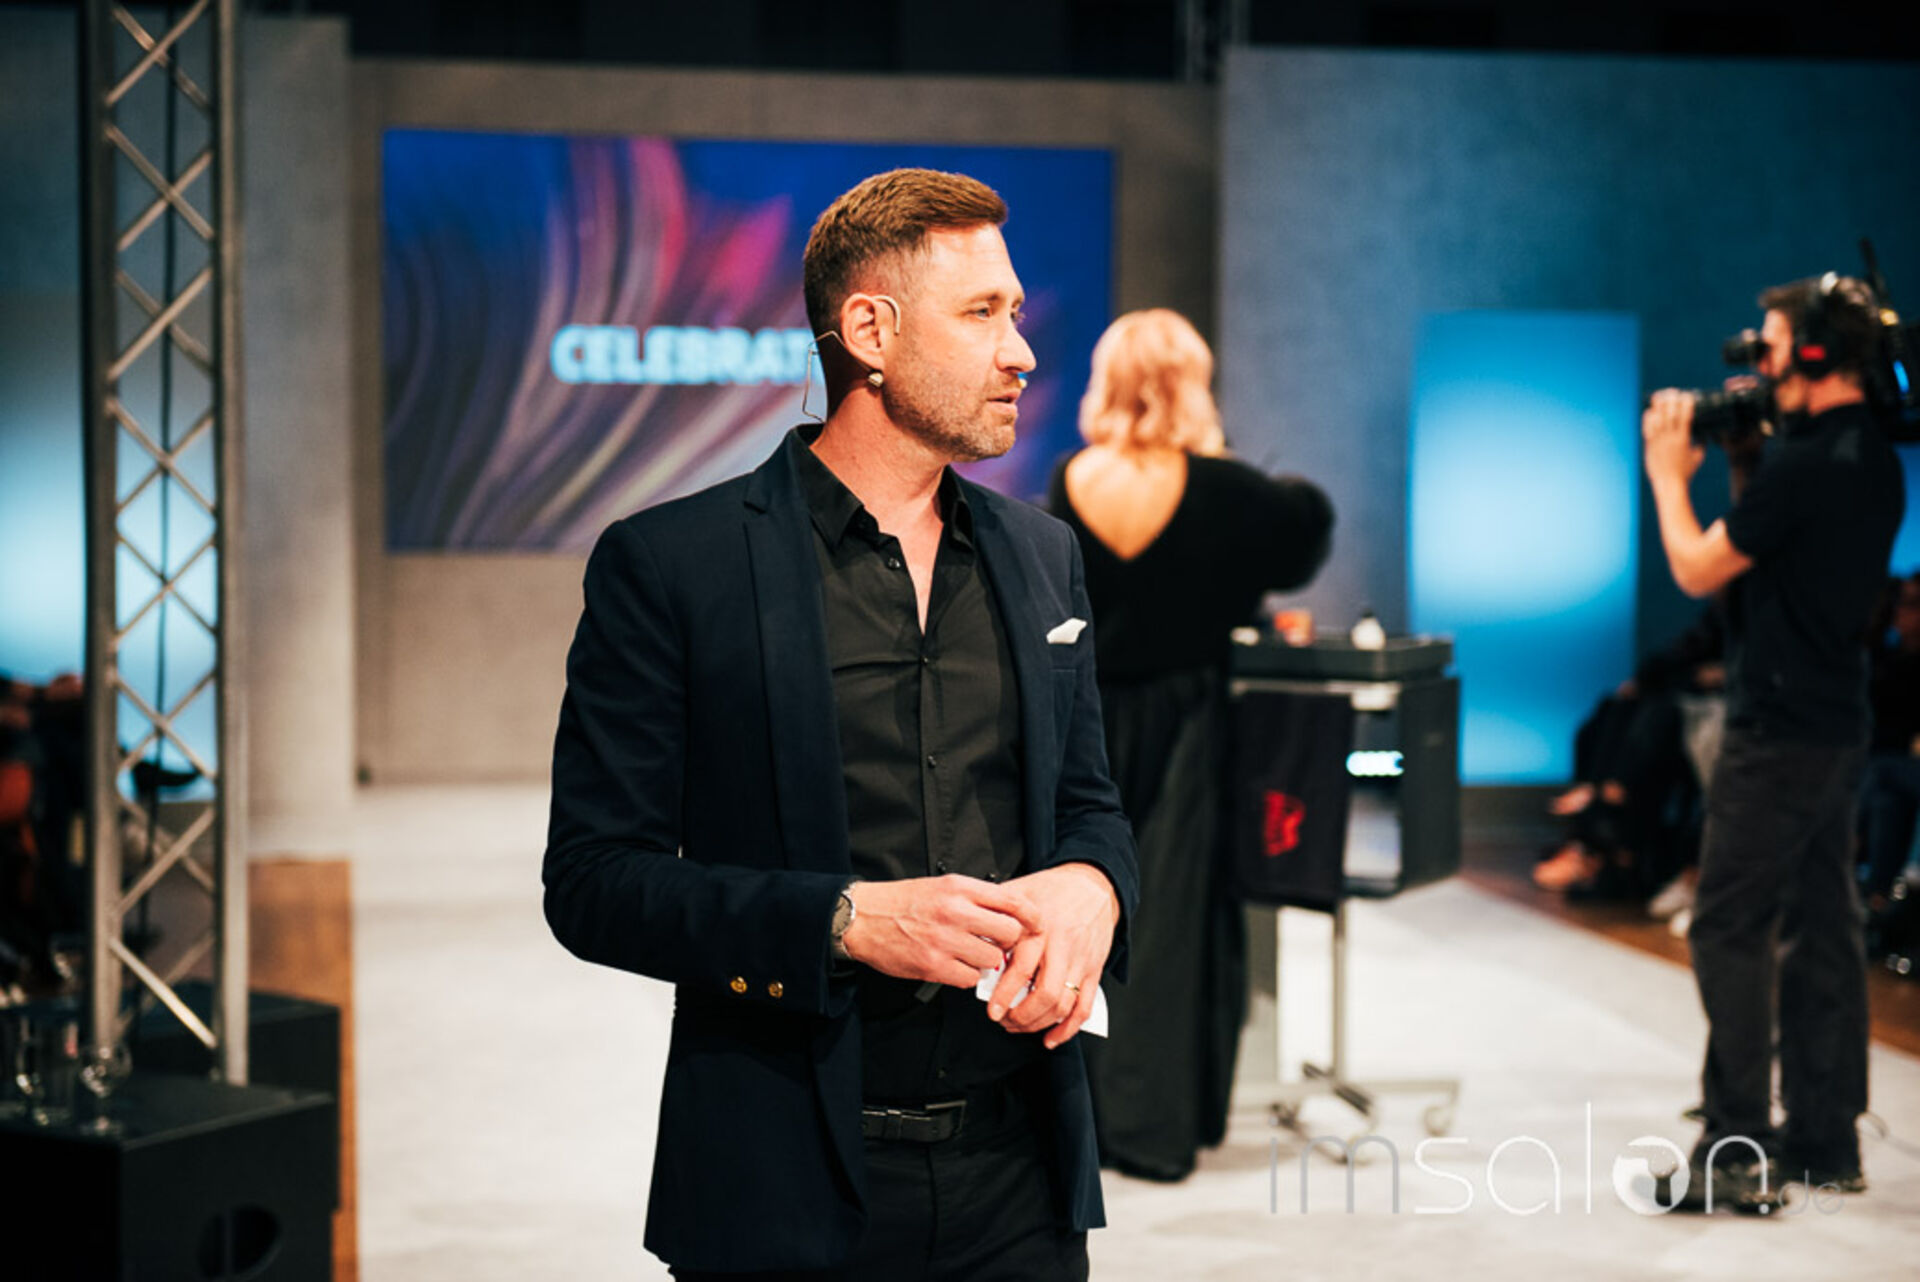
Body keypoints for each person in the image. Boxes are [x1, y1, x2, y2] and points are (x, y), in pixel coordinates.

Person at [543, 168, 1138, 1279]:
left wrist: (1094, 885)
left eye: (1014, 311)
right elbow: (592, 882)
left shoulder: (1042, 554)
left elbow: (1090, 804)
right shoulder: (671, 565)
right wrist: (845, 921)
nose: (1022, 350)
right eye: (983, 313)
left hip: (1023, 1177)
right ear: (870, 332)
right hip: (789, 1180)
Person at [1046, 308, 1331, 1181]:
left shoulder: (1071, 478)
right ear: (1191, 384)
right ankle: (1153, 1126)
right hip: (1191, 729)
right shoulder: (1229, 490)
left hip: (1089, 725)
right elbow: (1305, 532)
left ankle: (1086, 1118)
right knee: (1174, 923)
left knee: (1087, 908)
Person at [1642, 273, 1904, 1207]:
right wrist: (1749, 459)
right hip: (1835, 721)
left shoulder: (1804, 466)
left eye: (1772, 345)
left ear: (1816, 353)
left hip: (1777, 732)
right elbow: (1783, 562)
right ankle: (1826, 1138)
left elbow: (1696, 568)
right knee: (1823, 925)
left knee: (1728, 925)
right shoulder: (1869, 455)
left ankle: (1736, 1145)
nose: (1759, 362)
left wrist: (1668, 475)